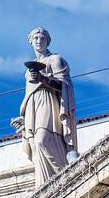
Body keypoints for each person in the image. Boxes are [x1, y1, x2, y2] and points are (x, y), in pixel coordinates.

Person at [10, 27, 76, 187]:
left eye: (42, 38)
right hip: (33, 107)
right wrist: (24, 118)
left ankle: (65, 177)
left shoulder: (55, 59)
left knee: (42, 141)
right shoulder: (29, 69)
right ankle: (46, 184)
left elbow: (64, 86)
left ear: (47, 41)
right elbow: (28, 94)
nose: (39, 41)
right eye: (36, 38)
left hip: (48, 102)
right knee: (35, 145)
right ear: (31, 42)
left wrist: (43, 79)